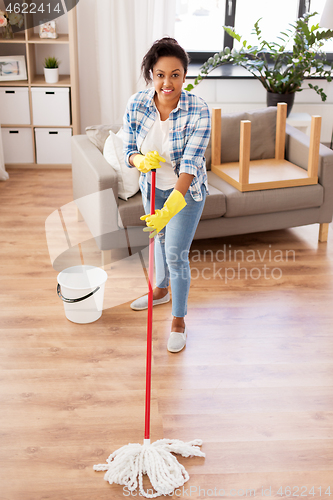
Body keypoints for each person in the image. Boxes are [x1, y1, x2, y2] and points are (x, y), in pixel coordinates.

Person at [123, 37, 211, 353]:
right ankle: (161, 291)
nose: (167, 82)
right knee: (158, 244)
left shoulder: (198, 110)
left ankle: (179, 321)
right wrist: (139, 160)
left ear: (184, 76)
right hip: (152, 188)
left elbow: (190, 162)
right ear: (151, 75)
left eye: (175, 74)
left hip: (185, 193)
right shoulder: (137, 104)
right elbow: (128, 148)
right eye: (160, 74)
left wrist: (173, 203)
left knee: (175, 254)